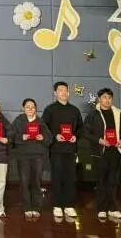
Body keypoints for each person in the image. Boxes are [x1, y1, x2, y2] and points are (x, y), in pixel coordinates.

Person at [82, 88, 121, 220]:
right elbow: (85, 132)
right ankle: (102, 209)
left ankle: (113, 208)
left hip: (115, 151)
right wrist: (99, 140)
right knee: (102, 181)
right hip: (100, 152)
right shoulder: (93, 114)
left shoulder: (118, 113)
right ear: (99, 99)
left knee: (113, 181)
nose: (107, 100)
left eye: (109, 98)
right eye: (104, 97)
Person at [42, 81, 83, 219]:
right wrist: (55, 136)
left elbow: (81, 128)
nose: (64, 93)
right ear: (55, 93)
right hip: (56, 149)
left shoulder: (74, 110)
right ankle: (58, 205)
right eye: (60, 90)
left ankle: (69, 205)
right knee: (57, 177)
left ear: (68, 92)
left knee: (71, 178)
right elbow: (44, 127)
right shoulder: (50, 109)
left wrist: (76, 136)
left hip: (71, 149)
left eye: (66, 90)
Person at [12, 98, 51, 218]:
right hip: (23, 156)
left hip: (38, 156)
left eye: (33, 107)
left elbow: (49, 138)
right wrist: (21, 137)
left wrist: (42, 137)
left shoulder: (40, 122)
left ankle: (37, 207)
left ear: (36, 109)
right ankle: (27, 207)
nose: (30, 109)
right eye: (27, 107)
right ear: (23, 108)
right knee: (24, 182)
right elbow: (10, 137)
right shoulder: (18, 121)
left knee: (37, 182)